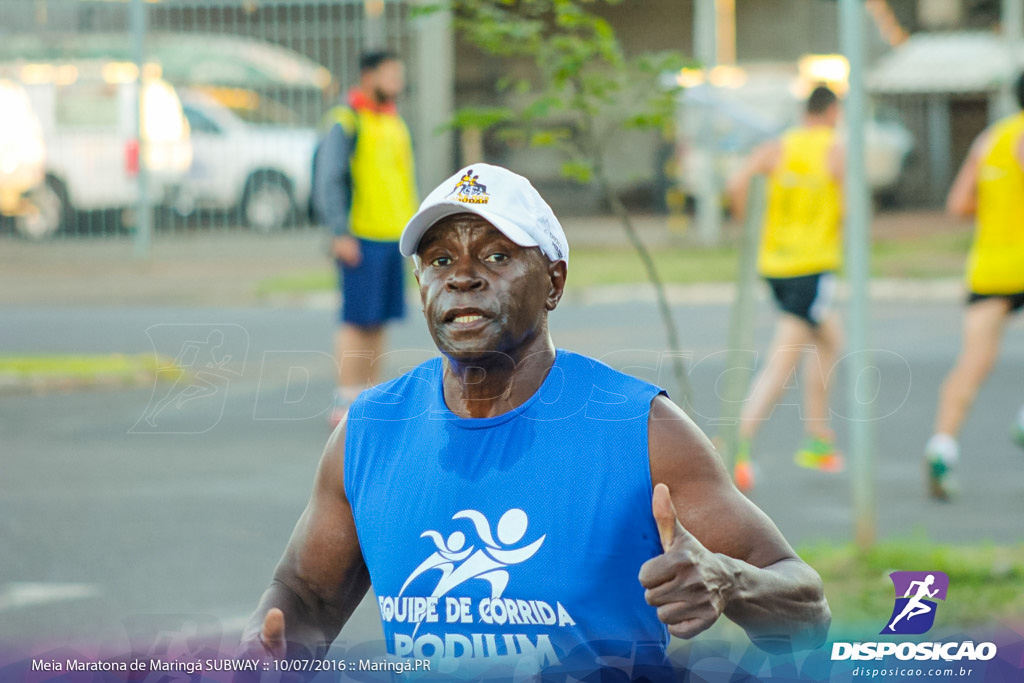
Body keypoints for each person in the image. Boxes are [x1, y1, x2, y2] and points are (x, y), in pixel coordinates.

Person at [240, 163, 831, 679]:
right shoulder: (370, 432)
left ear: (554, 281)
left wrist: (728, 580)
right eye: (439, 259)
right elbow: (306, 593)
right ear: (419, 284)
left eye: (496, 256)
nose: (462, 276)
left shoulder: (640, 430)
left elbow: (806, 607)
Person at [726, 85, 846, 492]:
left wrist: (751, 230)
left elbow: (736, 183)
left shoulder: (781, 145)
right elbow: (848, 208)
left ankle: (818, 437)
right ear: (832, 111)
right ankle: (734, 444)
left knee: (829, 341)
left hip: (776, 264)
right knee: (784, 360)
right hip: (811, 267)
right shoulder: (835, 147)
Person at [924, 72, 1024, 501]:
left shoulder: (990, 140)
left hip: (989, 266)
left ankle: (942, 446)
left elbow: (959, 203)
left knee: (973, 361)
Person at [312, 50, 418, 429]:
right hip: (360, 237)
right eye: (390, 73)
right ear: (368, 75)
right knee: (356, 319)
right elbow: (329, 179)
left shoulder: (393, 121)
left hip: (393, 236)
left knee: (380, 320)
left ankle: (372, 395)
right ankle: (345, 397)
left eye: (399, 73)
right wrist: (339, 232)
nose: (396, 81)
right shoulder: (346, 119)